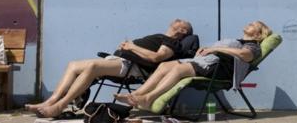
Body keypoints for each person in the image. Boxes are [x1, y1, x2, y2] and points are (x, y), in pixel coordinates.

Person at [26, 19, 193, 118]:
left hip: (132, 67)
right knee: (73, 64)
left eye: (179, 21)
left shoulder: (173, 43)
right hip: (120, 60)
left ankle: (60, 106)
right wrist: (128, 47)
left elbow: (156, 58)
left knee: (93, 66)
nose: (174, 21)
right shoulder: (160, 36)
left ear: (182, 30)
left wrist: (131, 46)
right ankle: (49, 101)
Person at [114, 21, 272, 110]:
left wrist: (215, 48)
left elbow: (246, 55)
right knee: (163, 66)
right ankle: (135, 96)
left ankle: (149, 98)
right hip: (205, 62)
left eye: (253, 24)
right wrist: (205, 50)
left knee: (178, 69)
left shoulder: (253, 45)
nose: (248, 24)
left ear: (258, 34)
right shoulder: (239, 41)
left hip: (218, 69)